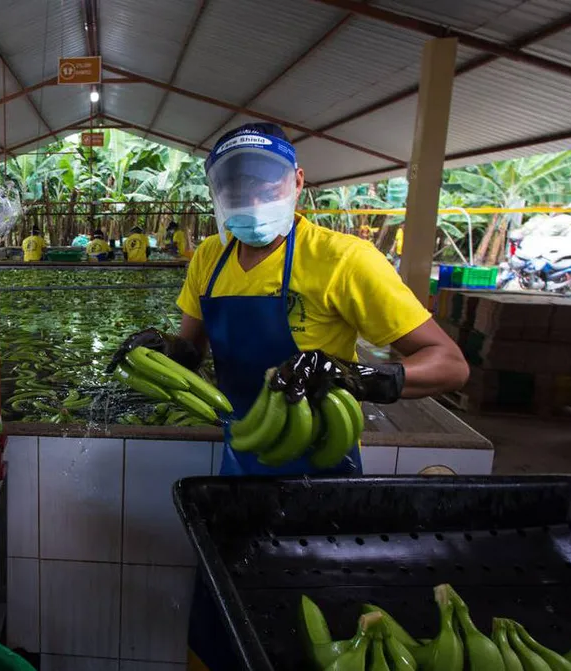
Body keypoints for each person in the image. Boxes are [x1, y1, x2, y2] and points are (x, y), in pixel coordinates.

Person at [107, 123, 468, 670]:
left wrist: (356, 376)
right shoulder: (211, 257)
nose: (251, 200)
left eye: (265, 186)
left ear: (297, 182)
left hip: (322, 474)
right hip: (238, 466)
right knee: (223, 615)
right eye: (236, 190)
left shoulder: (345, 259)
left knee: (311, 618)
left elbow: (449, 363)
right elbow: (192, 348)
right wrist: (162, 352)